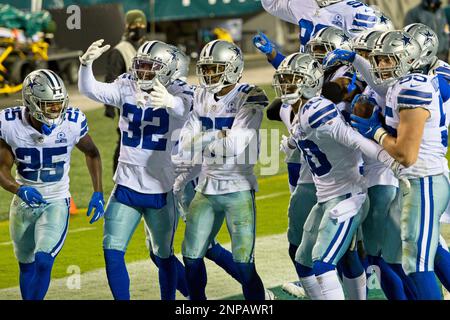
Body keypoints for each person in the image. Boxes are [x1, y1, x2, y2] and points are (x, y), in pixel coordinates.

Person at [273, 52, 404, 299]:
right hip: (326, 198)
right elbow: (301, 131)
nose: (286, 86)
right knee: (303, 260)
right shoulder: (303, 110)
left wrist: (392, 161)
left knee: (322, 263)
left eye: (292, 80)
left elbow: (353, 139)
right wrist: (289, 144)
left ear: (309, 82)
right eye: (285, 80)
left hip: (347, 197)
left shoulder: (318, 109)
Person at [78, 39, 193, 300]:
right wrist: (86, 65)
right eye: (140, 65)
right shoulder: (127, 85)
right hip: (126, 185)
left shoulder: (180, 89)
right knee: (112, 250)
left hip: (160, 189)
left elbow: (188, 111)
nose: (142, 72)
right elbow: (91, 91)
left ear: (167, 69)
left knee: (163, 255)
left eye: (149, 67)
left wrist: (171, 102)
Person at [347, 30, 450, 299]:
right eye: (378, 60)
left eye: (386, 60)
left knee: (417, 264)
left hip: (424, 179)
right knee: (401, 258)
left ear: (409, 59)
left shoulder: (413, 86)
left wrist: (376, 132)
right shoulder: (398, 84)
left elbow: (405, 154)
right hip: (409, 180)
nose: (380, 66)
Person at [0, 69, 104, 300]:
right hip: (23, 203)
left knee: (44, 260)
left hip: (56, 200)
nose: (56, 110)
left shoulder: (72, 122)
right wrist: (19, 189)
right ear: (31, 102)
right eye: (49, 104)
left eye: (59, 103)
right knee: (26, 264)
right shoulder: (9, 124)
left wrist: (98, 192)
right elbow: (1, 168)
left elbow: (93, 153)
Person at [177, 40, 269, 300]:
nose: (208, 74)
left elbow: (234, 145)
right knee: (191, 255)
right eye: (206, 68)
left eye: (215, 68)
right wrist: (218, 135)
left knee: (243, 262)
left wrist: (204, 139)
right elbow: (184, 143)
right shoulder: (201, 95)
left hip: (237, 189)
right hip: (206, 187)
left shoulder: (249, 95)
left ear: (233, 68)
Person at [103, 9, 148, 174]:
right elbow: (111, 78)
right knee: (125, 140)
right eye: (134, 24)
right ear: (127, 26)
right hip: (129, 104)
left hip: (152, 103)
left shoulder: (150, 47)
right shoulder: (120, 50)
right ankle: (119, 175)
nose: (138, 27)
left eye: (141, 23)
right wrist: (109, 106)